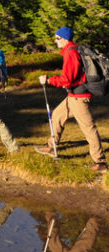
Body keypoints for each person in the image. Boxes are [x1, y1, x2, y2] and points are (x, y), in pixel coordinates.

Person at [36, 26, 107, 172]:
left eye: (57, 38)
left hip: (80, 98)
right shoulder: (72, 50)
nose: (55, 41)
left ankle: (100, 162)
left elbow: (67, 80)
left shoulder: (71, 53)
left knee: (89, 129)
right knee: (57, 115)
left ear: (64, 39)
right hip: (73, 96)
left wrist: (49, 80)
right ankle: (52, 147)